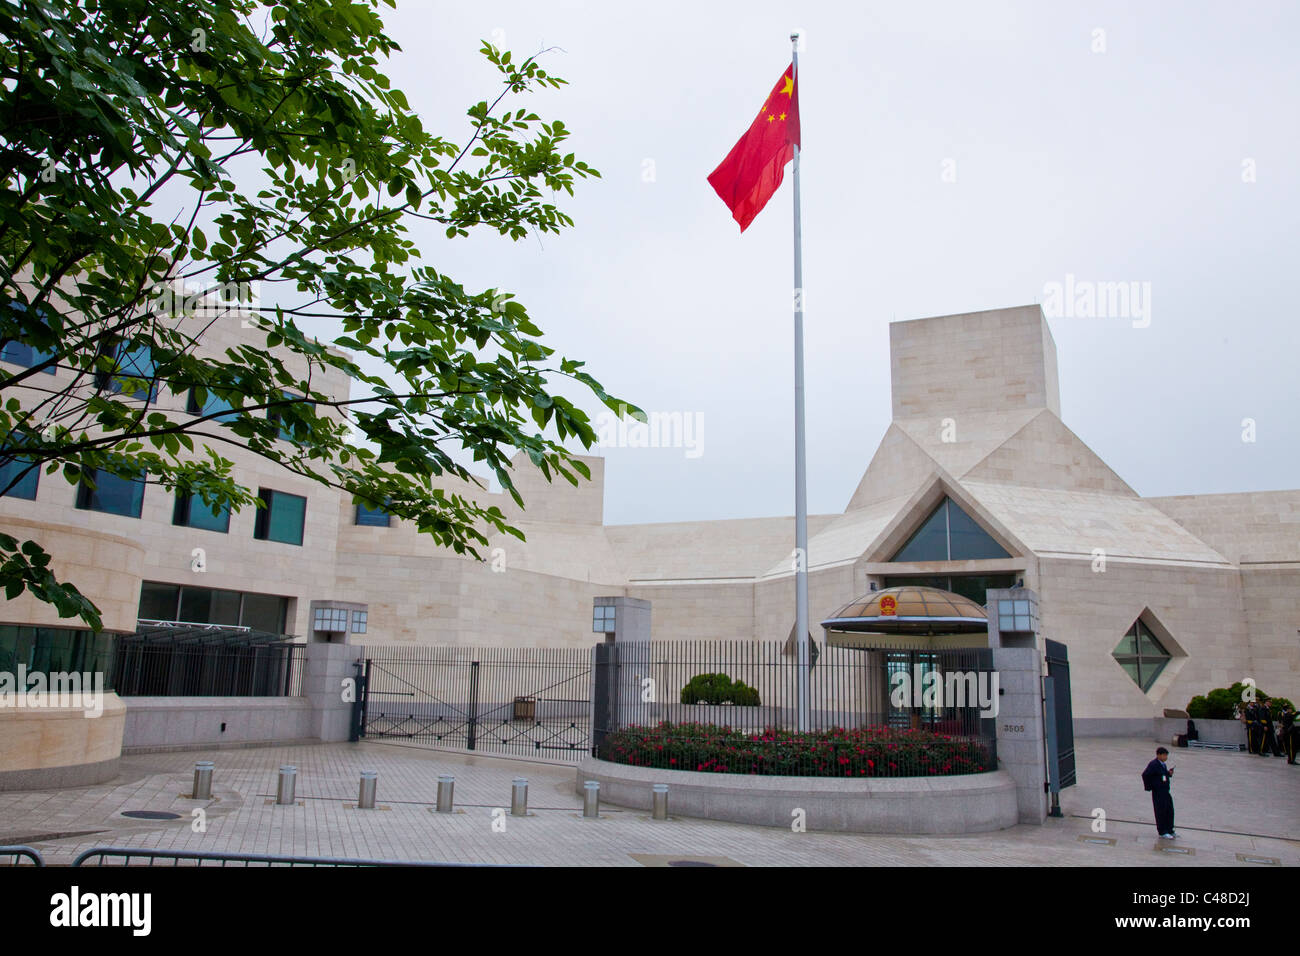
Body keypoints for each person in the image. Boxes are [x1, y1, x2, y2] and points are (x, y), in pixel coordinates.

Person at [1141, 747, 1176, 839]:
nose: (1166, 757)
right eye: (1164, 755)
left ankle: (1170, 829)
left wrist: (1169, 774)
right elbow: (1145, 775)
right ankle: (1162, 831)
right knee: (1161, 811)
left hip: (1165, 791)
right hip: (1158, 792)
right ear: (1159, 755)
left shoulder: (1163, 764)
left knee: (1169, 810)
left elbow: (1162, 775)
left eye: (1166, 755)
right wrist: (1150, 787)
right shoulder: (1153, 764)